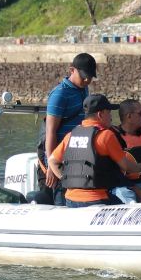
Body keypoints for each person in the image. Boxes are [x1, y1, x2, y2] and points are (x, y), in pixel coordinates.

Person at [50, 94, 141, 207]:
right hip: (97, 200)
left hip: (70, 200)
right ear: (100, 114)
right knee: (128, 206)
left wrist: (66, 179)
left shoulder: (70, 136)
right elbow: (127, 167)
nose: (111, 116)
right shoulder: (106, 136)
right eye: (109, 112)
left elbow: (52, 161)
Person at [41, 53, 97, 203]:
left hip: (77, 155)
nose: (87, 80)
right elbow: (50, 132)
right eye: (84, 76)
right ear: (72, 70)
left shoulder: (83, 89)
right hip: (60, 157)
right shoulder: (59, 94)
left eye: (90, 77)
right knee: (62, 199)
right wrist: (51, 166)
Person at [111, 99, 141, 203]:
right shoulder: (113, 137)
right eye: (140, 114)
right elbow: (112, 171)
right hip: (122, 186)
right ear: (129, 116)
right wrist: (133, 187)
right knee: (126, 196)